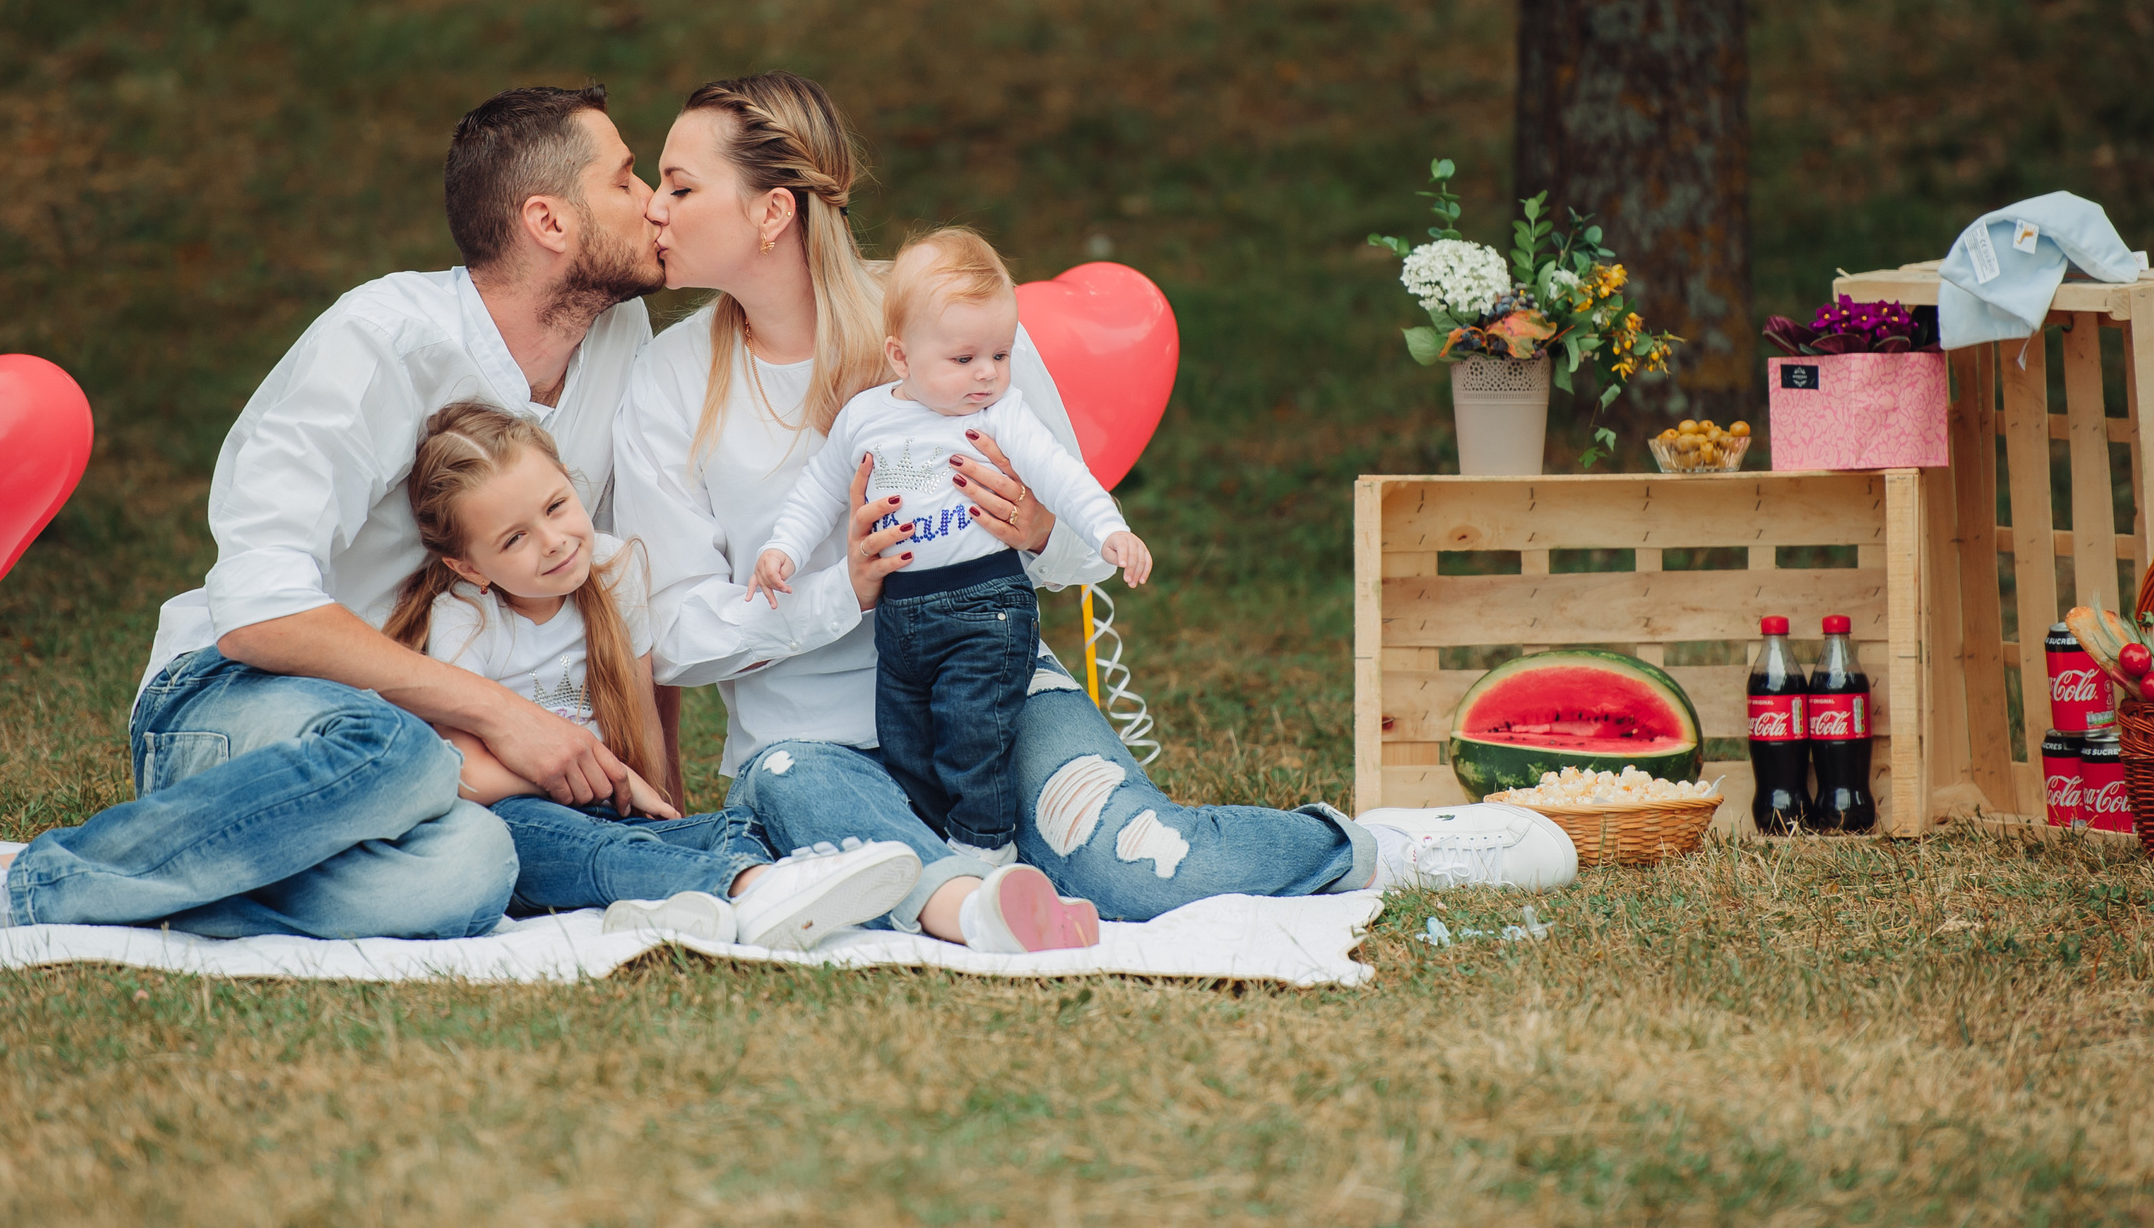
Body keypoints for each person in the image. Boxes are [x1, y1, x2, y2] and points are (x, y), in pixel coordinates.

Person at [613, 73, 1577, 957]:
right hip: (815, 743)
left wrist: (1037, 529)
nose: (653, 207)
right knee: (792, 785)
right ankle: (975, 900)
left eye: (679, 185)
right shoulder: (666, 382)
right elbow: (673, 635)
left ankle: (1377, 846)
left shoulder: (950, 323)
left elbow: (1077, 545)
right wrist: (840, 591)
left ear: (772, 212)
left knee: (1126, 864)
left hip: (998, 694)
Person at [0, 85, 677, 947]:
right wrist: (502, 713)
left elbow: (624, 581)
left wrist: (661, 809)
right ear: (549, 223)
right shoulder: (378, 340)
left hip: (429, 757)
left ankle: (153, 879)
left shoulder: (621, 336)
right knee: (398, 750)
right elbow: (260, 612)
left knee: (474, 871)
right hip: (232, 700)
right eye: (627, 180)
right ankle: (23, 887)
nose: (655, 204)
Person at [390, 398, 920, 948]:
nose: (553, 541)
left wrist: (660, 808)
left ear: (574, 485)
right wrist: (599, 778)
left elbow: (640, 709)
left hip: (615, 810)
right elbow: (464, 773)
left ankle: (686, 895)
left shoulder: (615, 572)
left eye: (555, 506)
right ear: (469, 566)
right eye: (514, 538)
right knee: (579, 848)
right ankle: (750, 885)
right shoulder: (466, 619)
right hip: (517, 819)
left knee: (728, 828)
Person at [752, 227, 1150, 885]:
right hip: (901, 618)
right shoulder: (866, 417)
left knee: (975, 734)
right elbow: (818, 490)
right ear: (900, 356)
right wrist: (781, 550)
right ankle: (937, 849)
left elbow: (1059, 474)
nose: (987, 373)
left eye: (1000, 353)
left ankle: (986, 850)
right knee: (906, 739)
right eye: (964, 358)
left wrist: (1110, 530)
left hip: (986, 605)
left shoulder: (1001, 414)